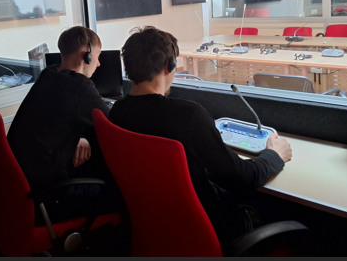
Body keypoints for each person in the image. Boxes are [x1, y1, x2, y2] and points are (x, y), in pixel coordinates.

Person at [109, 26, 293, 249]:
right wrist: (275, 154)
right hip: (209, 230)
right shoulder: (188, 116)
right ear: (170, 65)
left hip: (152, 228)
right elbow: (243, 177)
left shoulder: (117, 112)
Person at [7, 26, 122, 223]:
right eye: (97, 56)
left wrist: (79, 136)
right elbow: (114, 126)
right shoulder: (81, 87)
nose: (99, 63)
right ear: (86, 55)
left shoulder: (49, 74)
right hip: (49, 192)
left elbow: (52, 118)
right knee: (119, 191)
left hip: (23, 181)